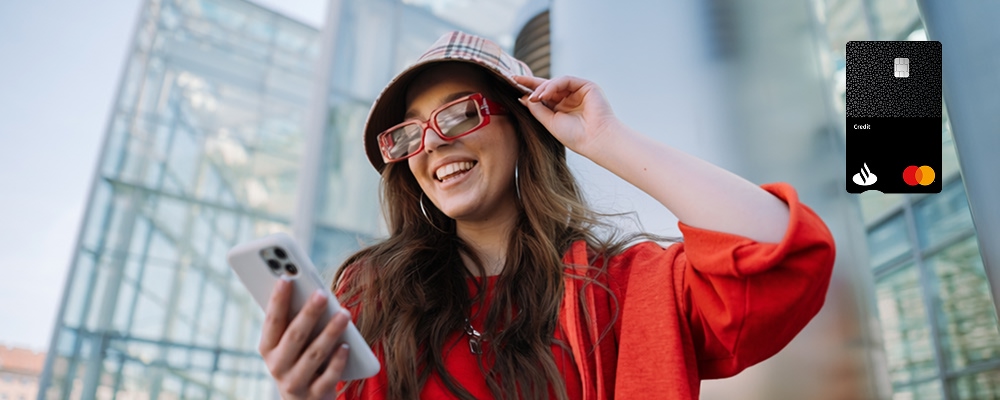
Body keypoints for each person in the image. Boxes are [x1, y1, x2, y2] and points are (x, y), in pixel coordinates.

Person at [257, 31, 836, 400]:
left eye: (459, 115)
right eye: (409, 133)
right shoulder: (374, 297)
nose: (431, 145)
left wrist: (608, 140)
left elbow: (781, 255)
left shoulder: (623, 288)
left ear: (525, 123)